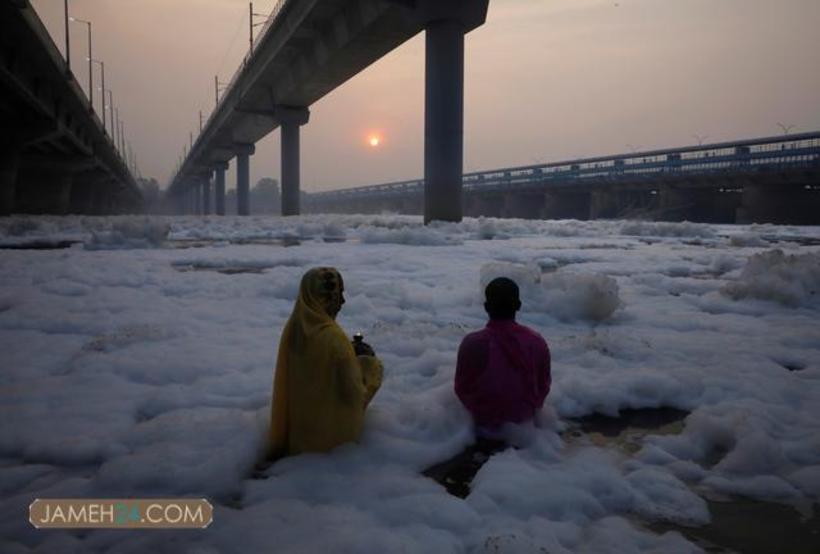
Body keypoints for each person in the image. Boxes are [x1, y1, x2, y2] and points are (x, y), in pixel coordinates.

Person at [268, 267, 383, 460]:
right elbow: (354, 397)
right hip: (329, 446)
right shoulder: (333, 338)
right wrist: (370, 366)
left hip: (297, 437)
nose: (343, 302)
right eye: (339, 295)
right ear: (326, 298)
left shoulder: (295, 328)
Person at [455, 277, 551, 440]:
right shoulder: (537, 342)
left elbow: (462, 388)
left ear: (486, 307)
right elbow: (543, 388)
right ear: (518, 305)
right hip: (525, 429)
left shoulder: (473, 343)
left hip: (484, 429)